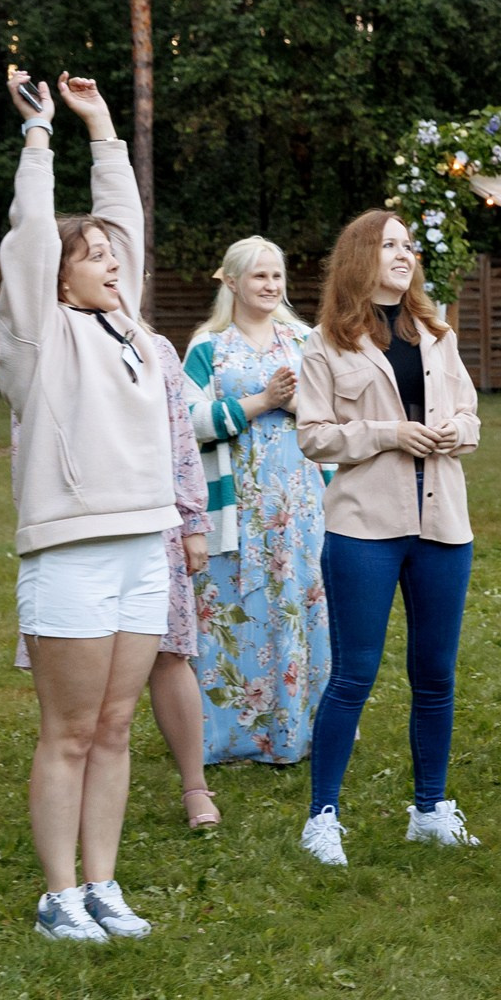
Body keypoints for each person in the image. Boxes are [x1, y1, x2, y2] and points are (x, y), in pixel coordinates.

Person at [0, 69, 176, 944]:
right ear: (58, 280)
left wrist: (102, 127)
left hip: (145, 545)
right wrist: (40, 138)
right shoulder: (37, 336)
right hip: (70, 551)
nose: (110, 263)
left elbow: (128, 227)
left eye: (111, 255)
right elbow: (32, 238)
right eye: (92, 256)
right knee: (68, 729)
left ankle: (103, 883)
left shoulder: (130, 326)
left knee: (115, 724)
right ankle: (58, 895)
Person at [293, 209, 485, 864]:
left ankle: (430, 809)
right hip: (363, 527)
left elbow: (470, 416)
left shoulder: (437, 333)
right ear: (360, 258)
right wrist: (389, 434)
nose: (404, 254)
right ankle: (322, 816)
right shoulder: (326, 343)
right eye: (389, 244)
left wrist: (455, 430)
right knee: (354, 673)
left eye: (408, 245)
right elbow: (314, 435)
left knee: (435, 674)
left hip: (442, 524)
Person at [13, 327, 218, 829]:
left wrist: (192, 520)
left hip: (155, 524)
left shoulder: (156, 349)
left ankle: (195, 787)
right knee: (83, 687)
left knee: (171, 654)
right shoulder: (46, 346)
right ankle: (75, 784)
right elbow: (29, 443)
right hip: (80, 534)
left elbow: (179, 437)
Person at [182, 237, 331, 766]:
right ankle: (228, 738)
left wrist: (294, 406)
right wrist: (260, 401)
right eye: (258, 276)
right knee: (233, 616)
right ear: (231, 281)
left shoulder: (306, 340)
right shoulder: (208, 347)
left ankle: (303, 732)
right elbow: (187, 422)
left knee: (299, 608)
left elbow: (336, 415)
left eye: (276, 276)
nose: (270, 285)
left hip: (302, 507)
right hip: (235, 511)